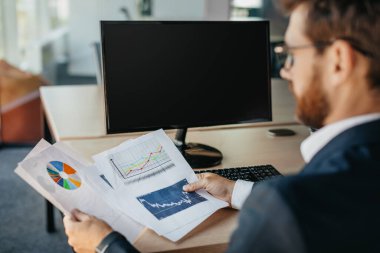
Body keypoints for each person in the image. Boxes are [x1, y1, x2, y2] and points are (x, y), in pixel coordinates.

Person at [63, 0, 380, 252]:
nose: (285, 72)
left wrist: (105, 245)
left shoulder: (290, 206)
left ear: (339, 60)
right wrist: (237, 191)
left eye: (292, 54)